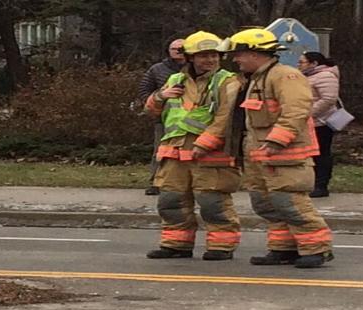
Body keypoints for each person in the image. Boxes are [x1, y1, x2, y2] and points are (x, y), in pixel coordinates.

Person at [226, 28, 334, 269]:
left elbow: (296, 110)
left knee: (290, 203)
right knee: (265, 204)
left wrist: (277, 140)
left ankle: (317, 249)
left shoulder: (285, 76)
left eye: (239, 54)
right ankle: (283, 249)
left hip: (285, 156)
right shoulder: (255, 78)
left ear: (255, 54)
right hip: (260, 156)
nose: (236, 59)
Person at [142, 31, 244, 261]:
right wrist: (160, 96)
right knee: (171, 202)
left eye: (214, 55)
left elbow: (225, 118)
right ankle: (176, 244)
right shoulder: (175, 80)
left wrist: (205, 143)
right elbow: (151, 111)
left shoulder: (227, 81)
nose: (210, 60)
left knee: (213, 203)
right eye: (203, 55)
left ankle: (221, 247)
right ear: (190, 58)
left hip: (210, 154)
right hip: (174, 153)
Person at [135, 39, 185, 196]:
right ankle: (156, 182)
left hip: (194, 119)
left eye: (181, 48)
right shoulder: (157, 69)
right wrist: (157, 101)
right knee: (161, 150)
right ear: (168, 50)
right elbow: (144, 90)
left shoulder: (197, 68)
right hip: (164, 118)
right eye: (174, 48)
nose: (178, 51)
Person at [299, 51, 341, 198]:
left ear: (314, 63)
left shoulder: (326, 76)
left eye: (302, 62)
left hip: (322, 122)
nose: (299, 65)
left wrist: (309, 113)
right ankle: (312, 183)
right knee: (312, 154)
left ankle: (321, 185)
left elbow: (328, 99)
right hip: (311, 122)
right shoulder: (309, 76)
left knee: (322, 154)